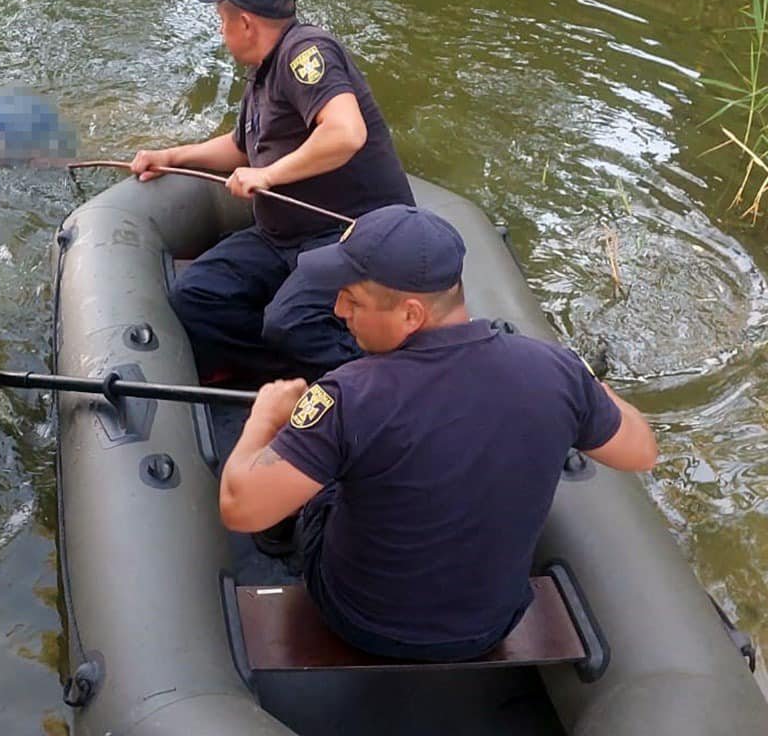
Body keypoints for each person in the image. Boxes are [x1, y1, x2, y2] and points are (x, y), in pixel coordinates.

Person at [218, 205, 659, 661]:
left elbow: (240, 508)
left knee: (321, 484)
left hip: (362, 622)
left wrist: (266, 418)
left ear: (411, 314)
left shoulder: (348, 394)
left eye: (353, 300)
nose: (338, 310)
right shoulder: (556, 370)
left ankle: (281, 544)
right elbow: (641, 452)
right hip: (490, 626)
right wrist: (586, 383)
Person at [130, 0, 414, 381]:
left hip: (350, 234)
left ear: (245, 23)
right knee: (196, 294)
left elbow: (346, 132)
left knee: (291, 323)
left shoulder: (306, 53)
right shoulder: (262, 74)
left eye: (222, 21)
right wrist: (172, 157)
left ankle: (375, 383)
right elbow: (240, 148)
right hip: (282, 237)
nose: (220, 32)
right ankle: (292, 373)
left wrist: (267, 175)